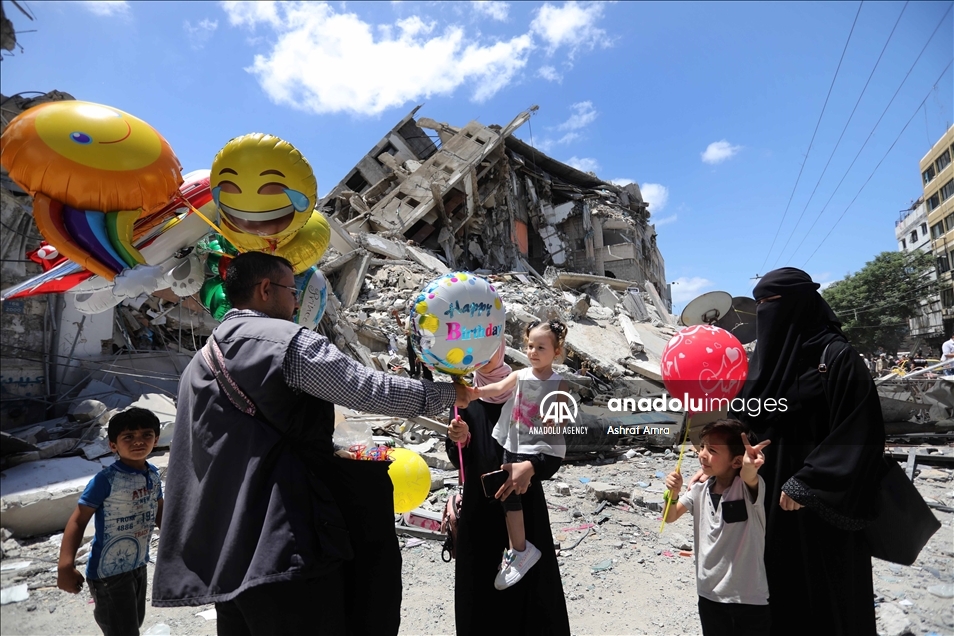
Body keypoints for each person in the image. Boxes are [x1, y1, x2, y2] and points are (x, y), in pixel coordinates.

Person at [152, 252, 475, 636]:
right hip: (283, 543)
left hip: (226, 555)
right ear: (265, 289)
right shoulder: (286, 342)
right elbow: (366, 389)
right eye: (293, 290)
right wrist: (446, 394)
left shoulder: (199, 362)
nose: (296, 302)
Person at [737, 267, 885, 635]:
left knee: (827, 596)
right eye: (759, 304)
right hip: (768, 500)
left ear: (800, 304)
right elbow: (747, 414)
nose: (764, 313)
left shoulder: (836, 358)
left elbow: (862, 430)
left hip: (820, 508)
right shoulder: (766, 362)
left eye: (771, 303)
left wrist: (809, 482)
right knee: (779, 593)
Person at [445, 337, 570, 635]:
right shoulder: (465, 396)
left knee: (531, 596)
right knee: (482, 594)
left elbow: (555, 444)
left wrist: (532, 466)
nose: (484, 357)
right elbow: (457, 457)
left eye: (490, 350)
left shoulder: (528, 385)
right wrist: (458, 437)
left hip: (524, 509)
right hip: (480, 512)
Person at [469, 318, 568, 589]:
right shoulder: (520, 374)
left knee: (513, 493)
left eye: (541, 348)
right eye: (530, 346)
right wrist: (474, 392)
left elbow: (565, 413)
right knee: (508, 497)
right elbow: (497, 388)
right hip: (514, 444)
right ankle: (519, 550)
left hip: (543, 449)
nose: (533, 352)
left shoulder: (559, 382)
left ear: (556, 353)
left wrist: (555, 419)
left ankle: (521, 550)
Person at [57, 407, 163, 636]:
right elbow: (78, 520)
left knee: (133, 624)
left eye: (146, 435)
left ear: (156, 439)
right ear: (113, 445)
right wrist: (65, 566)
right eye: (128, 437)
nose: (138, 441)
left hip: (138, 564)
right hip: (108, 573)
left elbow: (160, 511)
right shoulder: (106, 480)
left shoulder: (153, 474)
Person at [664, 420, 771, 636]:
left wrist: (750, 464)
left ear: (736, 461)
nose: (702, 454)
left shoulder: (748, 489)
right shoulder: (699, 491)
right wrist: (672, 494)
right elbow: (670, 516)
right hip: (709, 595)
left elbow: (748, 474)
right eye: (702, 447)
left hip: (748, 599)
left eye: (712, 450)